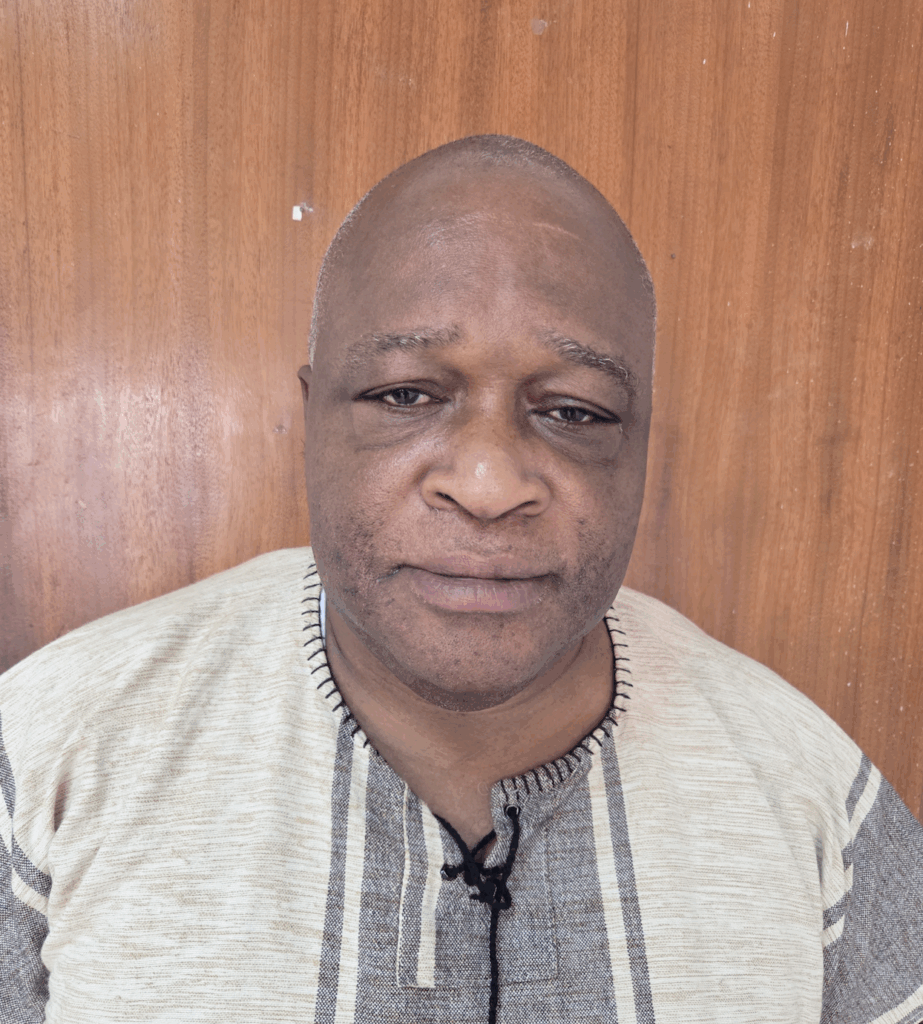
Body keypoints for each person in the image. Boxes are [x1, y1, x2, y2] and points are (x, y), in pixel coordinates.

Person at [1, 135, 921, 1024]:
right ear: (313, 422)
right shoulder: (51, 753)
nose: (486, 485)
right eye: (405, 395)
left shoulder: (808, 797)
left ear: (641, 449)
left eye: (574, 411)